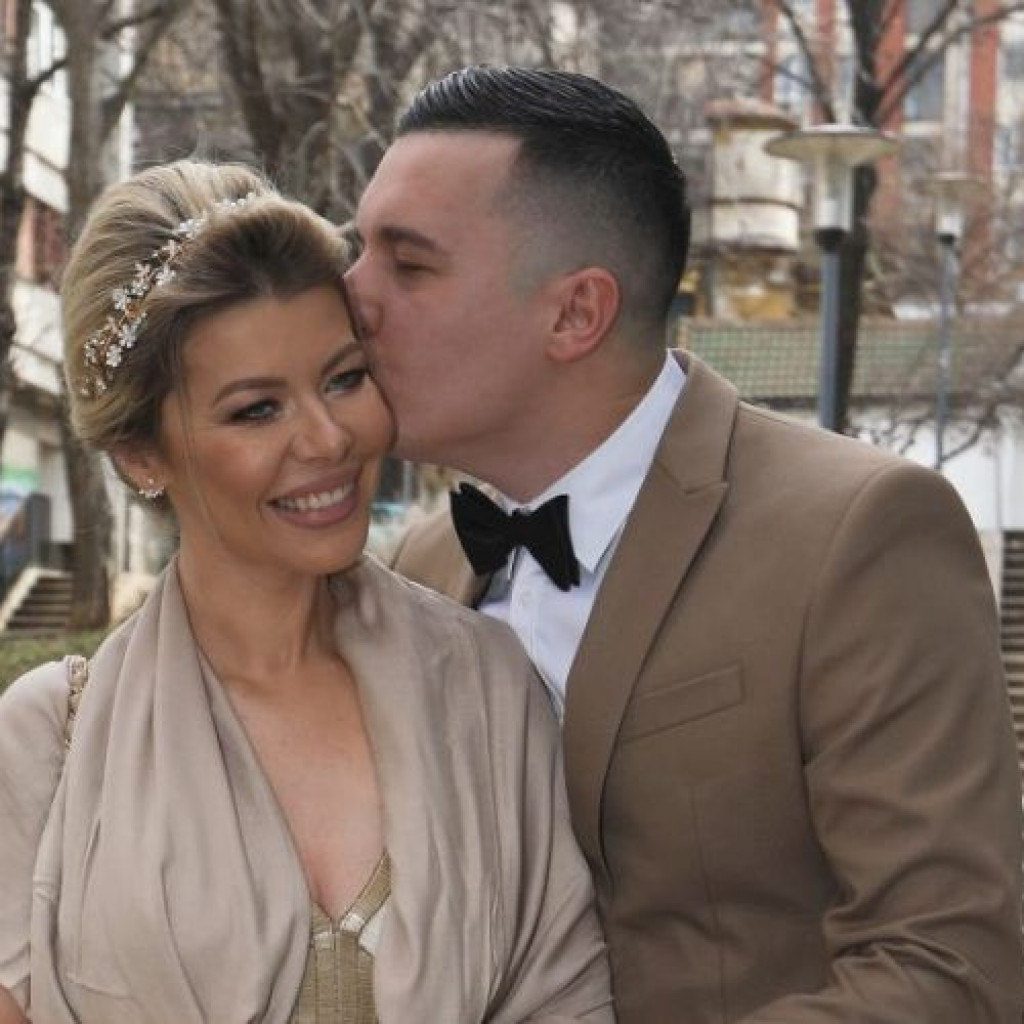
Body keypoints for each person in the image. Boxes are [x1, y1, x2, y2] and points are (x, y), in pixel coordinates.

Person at [346, 65, 1024, 1022]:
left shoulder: (860, 532)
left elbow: (952, 966)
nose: (352, 298)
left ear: (576, 312)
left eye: (407, 265)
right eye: (357, 252)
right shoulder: (417, 563)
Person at [0, 160, 615, 1024]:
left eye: (343, 378)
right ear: (141, 455)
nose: (328, 439)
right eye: (257, 410)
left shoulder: (486, 683)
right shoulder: (47, 743)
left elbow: (568, 997)